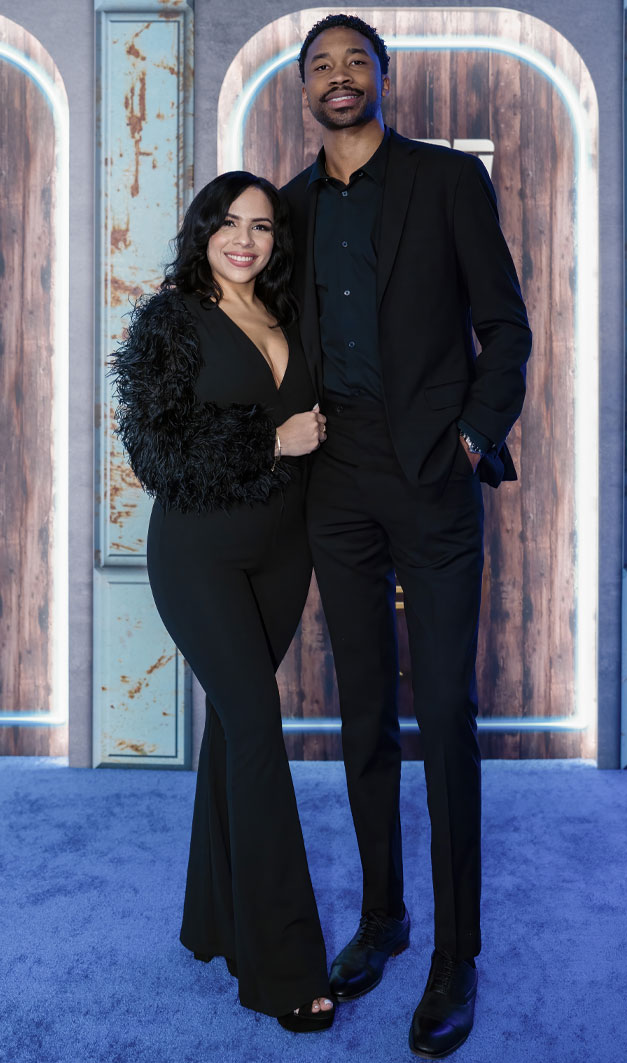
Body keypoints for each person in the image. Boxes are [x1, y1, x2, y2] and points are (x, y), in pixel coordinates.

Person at [281, 14, 532, 1058]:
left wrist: (475, 435)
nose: (339, 79)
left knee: (442, 712)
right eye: (321, 67)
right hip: (334, 483)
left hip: (433, 476)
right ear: (304, 89)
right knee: (364, 719)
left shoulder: (444, 183)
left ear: (386, 76)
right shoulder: (289, 208)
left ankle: (455, 953)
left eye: (355, 62)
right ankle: (384, 918)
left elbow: (505, 327)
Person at [111, 171, 335, 1032]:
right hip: (199, 555)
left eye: (264, 227)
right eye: (231, 223)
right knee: (257, 727)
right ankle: (286, 965)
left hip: (284, 556)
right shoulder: (172, 318)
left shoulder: (283, 313)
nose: (247, 239)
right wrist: (267, 436)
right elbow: (153, 449)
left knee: (233, 733)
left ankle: (214, 918)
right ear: (203, 229)